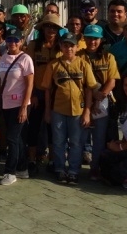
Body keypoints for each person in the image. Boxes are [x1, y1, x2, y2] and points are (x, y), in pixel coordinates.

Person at [42, 34, 96, 184]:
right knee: (58, 141)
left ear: (77, 47)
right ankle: (59, 169)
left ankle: (73, 170)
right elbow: (47, 89)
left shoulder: (83, 64)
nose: (69, 48)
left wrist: (87, 111)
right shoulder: (53, 65)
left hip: (78, 110)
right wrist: (47, 111)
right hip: (58, 109)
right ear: (61, 46)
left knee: (76, 142)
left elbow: (89, 89)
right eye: (65, 45)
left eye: (72, 45)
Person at [0, 28, 34, 186]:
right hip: (6, 103)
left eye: (16, 40)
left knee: (11, 138)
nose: (12, 43)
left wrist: (24, 107)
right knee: (17, 139)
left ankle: (10, 172)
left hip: (20, 104)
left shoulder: (25, 59)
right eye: (9, 40)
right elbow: (1, 82)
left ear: (21, 41)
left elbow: (30, 85)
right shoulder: (3, 57)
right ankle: (22, 169)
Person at [78, 24, 120, 181]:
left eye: (95, 39)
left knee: (99, 138)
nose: (92, 42)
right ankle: (75, 167)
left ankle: (95, 168)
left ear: (101, 40)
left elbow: (112, 81)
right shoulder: (78, 56)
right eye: (89, 38)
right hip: (81, 102)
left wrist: (98, 97)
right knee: (80, 137)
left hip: (102, 104)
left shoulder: (108, 57)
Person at [25, 13, 64, 173]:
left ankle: (52, 161)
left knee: (52, 129)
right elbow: (28, 71)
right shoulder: (34, 45)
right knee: (33, 127)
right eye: (48, 26)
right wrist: (32, 93)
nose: (51, 30)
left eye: (54, 27)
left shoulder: (61, 47)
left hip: (56, 94)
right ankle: (32, 160)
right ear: (43, 28)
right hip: (38, 93)